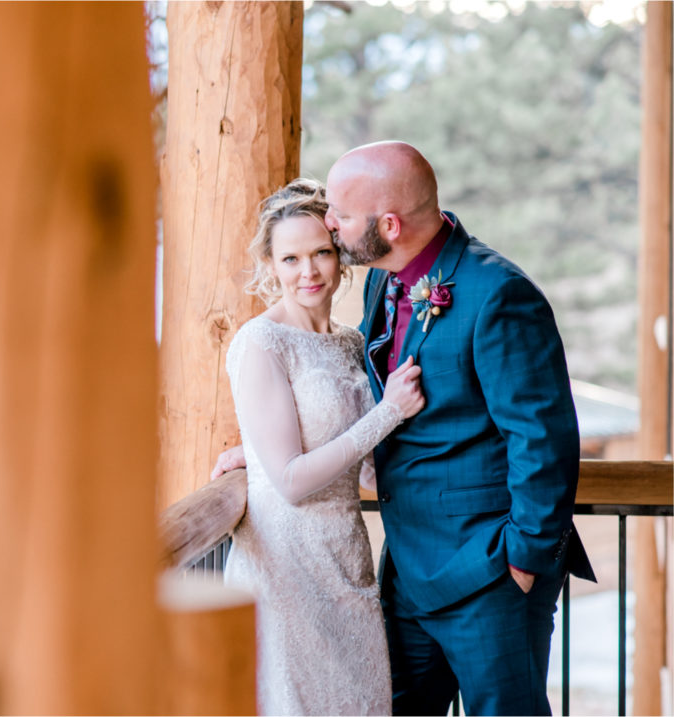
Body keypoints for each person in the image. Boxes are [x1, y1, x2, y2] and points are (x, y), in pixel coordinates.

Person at [215, 142, 595, 716]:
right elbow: (355, 412)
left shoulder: (498, 294)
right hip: (401, 574)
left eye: (340, 217)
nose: (331, 224)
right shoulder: (382, 283)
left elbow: (543, 440)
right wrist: (266, 452)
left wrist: (523, 561)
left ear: (388, 225)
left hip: (491, 574)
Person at [220, 178, 425, 716]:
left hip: (346, 562)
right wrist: (389, 413)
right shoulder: (260, 343)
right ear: (270, 265)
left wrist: (252, 453)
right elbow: (290, 482)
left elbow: (362, 467)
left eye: (321, 253)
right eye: (290, 258)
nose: (307, 271)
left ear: (340, 257)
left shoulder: (352, 342)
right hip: (286, 570)